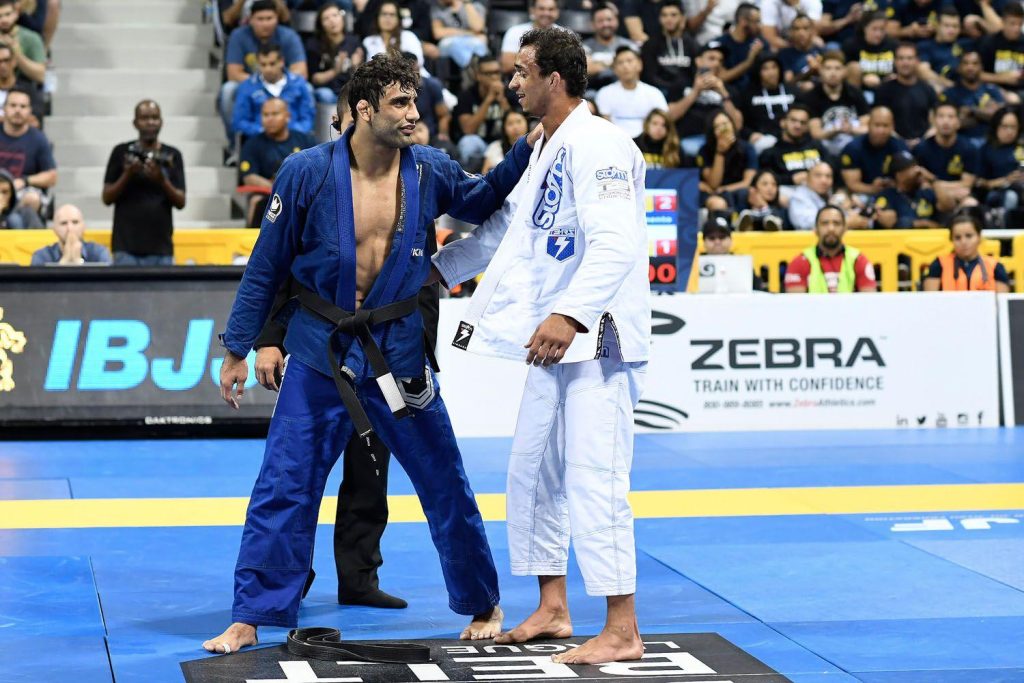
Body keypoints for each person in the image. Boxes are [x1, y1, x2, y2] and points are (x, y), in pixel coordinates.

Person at [204, 53, 536, 655]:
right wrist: (239, 348)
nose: (415, 113)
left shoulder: (429, 168)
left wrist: (524, 150)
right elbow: (266, 266)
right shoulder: (305, 172)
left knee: (444, 480)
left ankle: (482, 600)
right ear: (363, 110)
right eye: (401, 103)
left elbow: (480, 201)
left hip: (399, 354)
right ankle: (251, 615)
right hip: (318, 350)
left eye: (414, 100)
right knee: (284, 483)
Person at [431, 27, 651, 665]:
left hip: (594, 339)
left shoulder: (601, 144)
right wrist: (433, 269)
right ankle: (553, 606)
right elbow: (505, 234)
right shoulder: (546, 148)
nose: (513, 82)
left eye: (523, 71)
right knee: (531, 471)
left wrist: (570, 314)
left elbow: (615, 244)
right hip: (553, 343)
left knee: (596, 478)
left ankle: (622, 627)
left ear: (555, 78)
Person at [101, 100, 186, 266]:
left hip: (161, 248)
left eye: (155, 118)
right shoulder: (121, 152)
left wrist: (162, 180)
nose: (150, 122)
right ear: (135, 122)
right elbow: (107, 197)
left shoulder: (172, 155)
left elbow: (181, 201)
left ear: (161, 122)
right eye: (144, 118)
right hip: (125, 247)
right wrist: (127, 174)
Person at [219, 0, 307, 140]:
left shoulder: (289, 36)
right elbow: (233, 74)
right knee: (228, 89)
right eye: (260, 19)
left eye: (269, 18)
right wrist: (263, 83)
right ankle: (234, 147)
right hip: (252, 87)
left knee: (305, 87)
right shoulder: (238, 35)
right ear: (250, 20)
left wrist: (278, 82)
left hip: (284, 85)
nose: (265, 23)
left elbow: (301, 72)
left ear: (277, 19)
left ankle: (298, 140)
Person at [239, 98, 316, 227]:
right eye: (265, 115)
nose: (269, 119)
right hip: (269, 195)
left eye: (275, 114)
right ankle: (253, 244)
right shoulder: (252, 144)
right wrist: (279, 188)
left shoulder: (305, 140)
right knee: (256, 200)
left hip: (302, 193)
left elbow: (318, 170)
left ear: (287, 116)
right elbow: (249, 177)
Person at [667, 41, 744, 159]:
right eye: (712, 58)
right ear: (698, 61)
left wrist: (723, 93)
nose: (717, 63)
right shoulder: (683, 84)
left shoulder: (729, 90)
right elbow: (670, 117)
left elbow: (737, 125)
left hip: (720, 138)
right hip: (689, 138)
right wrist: (695, 92)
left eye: (720, 60)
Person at [784, 204, 877, 293]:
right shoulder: (799, 262)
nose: (831, 228)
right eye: (825, 223)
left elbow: (869, 303)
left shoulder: (858, 259)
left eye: (836, 223)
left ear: (845, 228)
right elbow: (796, 306)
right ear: (815, 229)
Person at [232, 43, 316, 139]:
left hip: (294, 139)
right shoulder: (247, 86)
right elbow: (239, 122)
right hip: (260, 140)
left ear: (281, 62)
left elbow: (307, 119)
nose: (268, 69)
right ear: (258, 65)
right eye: (263, 64)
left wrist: (289, 134)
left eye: (272, 64)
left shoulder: (298, 84)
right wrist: (262, 132)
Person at [453, 54, 517, 172]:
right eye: (489, 73)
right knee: (468, 142)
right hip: (480, 144)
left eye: (497, 72)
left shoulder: (510, 93)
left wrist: (502, 100)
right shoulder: (467, 96)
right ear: (478, 76)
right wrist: (488, 100)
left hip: (502, 144)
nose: (494, 77)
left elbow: (518, 123)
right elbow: (468, 130)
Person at [801, 50, 869, 158]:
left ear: (845, 71)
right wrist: (835, 130)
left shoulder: (855, 93)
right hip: (826, 146)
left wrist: (851, 129)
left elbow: (866, 127)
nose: (833, 73)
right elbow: (816, 134)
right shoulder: (812, 97)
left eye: (837, 68)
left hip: (854, 144)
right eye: (828, 68)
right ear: (821, 71)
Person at [914, 102, 979, 213]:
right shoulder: (921, 148)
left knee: (971, 203)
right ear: (933, 121)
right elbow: (921, 183)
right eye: (941, 116)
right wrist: (946, 191)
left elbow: (967, 184)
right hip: (931, 196)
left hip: (959, 196)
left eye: (951, 117)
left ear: (958, 122)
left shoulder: (969, 148)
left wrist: (934, 183)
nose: (946, 121)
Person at [0, 86, 54, 217]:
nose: (18, 110)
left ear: (30, 111)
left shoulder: (38, 138)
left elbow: (52, 176)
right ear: (4, 108)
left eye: (23, 106)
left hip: (23, 193)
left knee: (32, 198)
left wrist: (25, 181)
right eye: (13, 105)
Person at [922, 213, 1010, 292]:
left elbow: (1001, 304)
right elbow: (930, 301)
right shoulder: (939, 264)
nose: (963, 242)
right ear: (951, 240)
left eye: (969, 236)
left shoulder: (995, 266)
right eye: (957, 238)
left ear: (979, 237)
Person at [595, 46, 669, 139]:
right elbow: (603, 125)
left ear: (640, 64)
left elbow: (664, 121)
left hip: (647, 143)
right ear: (614, 69)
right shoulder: (604, 93)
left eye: (629, 61)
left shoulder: (654, 93)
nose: (625, 66)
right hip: (615, 142)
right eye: (620, 62)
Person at [873, 42, 937, 146]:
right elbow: (879, 123)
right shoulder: (883, 90)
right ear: (895, 62)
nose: (905, 63)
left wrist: (921, 142)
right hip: (891, 145)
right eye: (901, 58)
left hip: (924, 145)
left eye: (909, 58)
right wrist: (902, 143)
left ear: (917, 61)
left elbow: (935, 122)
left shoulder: (928, 89)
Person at [943, 50, 1008, 147]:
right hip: (963, 143)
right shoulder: (950, 93)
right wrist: (985, 114)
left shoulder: (992, 89)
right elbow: (956, 123)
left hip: (991, 142)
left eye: (975, 63)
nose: (970, 67)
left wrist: (972, 111)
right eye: (966, 63)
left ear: (981, 67)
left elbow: (1001, 117)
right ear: (959, 67)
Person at [840, 105, 907, 197]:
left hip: (895, 192)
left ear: (892, 127)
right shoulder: (853, 148)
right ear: (869, 125)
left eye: (885, 125)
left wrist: (894, 184)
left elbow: (908, 177)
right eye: (877, 125)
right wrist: (873, 188)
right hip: (862, 194)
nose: (881, 130)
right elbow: (852, 184)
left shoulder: (900, 147)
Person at [306, 3, 364, 104]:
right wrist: (335, 71)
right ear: (321, 24)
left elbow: (362, 79)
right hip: (328, 91)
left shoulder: (354, 42)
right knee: (324, 94)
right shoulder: (314, 44)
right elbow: (314, 79)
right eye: (326, 18)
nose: (332, 21)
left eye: (335, 15)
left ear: (342, 18)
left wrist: (356, 66)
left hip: (350, 92)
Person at [639, 0, 698, 98]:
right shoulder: (650, 45)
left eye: (673, 15)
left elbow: (695, 73)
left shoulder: (692, 45)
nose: (668, 19)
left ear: (682, 18)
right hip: (658, 93)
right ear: (659, 18)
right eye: (664, 15)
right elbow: (649, 76)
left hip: (687, 93)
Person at [788, 160, 870, 230]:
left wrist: (854, 211)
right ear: (807, 178)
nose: (824, 180)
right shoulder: (799, 197)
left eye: (828, 176)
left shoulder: (833, 196)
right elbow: (806, 224)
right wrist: (846, 222)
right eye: (818, 175)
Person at [696, 109, 757, 203]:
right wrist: (719, 152)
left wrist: (724, 189)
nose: (723, 129)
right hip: (714, 194)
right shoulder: (704, 150)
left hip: (738, 190)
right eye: (717, 126)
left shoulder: (747, 148)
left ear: (732, 124)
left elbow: (747, 182)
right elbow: (713, 184)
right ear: (712, 132)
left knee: (744, 194)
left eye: (725, 124)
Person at [740, 53, 795, 154]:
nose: (771, 73)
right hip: (764, 138)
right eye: (765, 69)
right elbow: (741, 123)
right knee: (764, 144)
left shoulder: (793, 91)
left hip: (793, 135)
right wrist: (750, 134)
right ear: (758, 72)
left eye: (774, 67)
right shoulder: (747, 94)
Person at [758, 104, 825, 186]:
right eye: (793, 120)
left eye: (803, 122)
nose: (798, 126)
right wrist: (791, 179)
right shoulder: (771, 153)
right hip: (788, 191)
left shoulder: (817, 146)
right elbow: (765, 180)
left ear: (807, 127)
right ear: (783, 123)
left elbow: (833, 168)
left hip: (819, 188)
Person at [977, 106, 1024, 218]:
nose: (1009, 131)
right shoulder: (985, 150)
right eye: (1005, 126)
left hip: (1021, 189)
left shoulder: (1021, 147)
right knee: (1011, 196)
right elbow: (978, 182)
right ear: (996, 127)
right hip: (997, 193)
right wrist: (1005, 180)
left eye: (1013, 127)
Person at [873, 150, 940, 228]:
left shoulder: (926, 193)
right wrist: (922, 224)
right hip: (901, 239)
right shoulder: (886, 196)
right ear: (899, 175)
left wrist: (933, 180)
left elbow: (947, 205)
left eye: (916, 166)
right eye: (911, 168)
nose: (918, 171)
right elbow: (889, 223)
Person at [702, 209, 766, 290]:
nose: (717, 242)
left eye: (722, 237)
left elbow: (757, 289)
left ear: (730, 240)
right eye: (712, 238)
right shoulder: (694, 266)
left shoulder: (742, 264)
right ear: (704, 242)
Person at [30, 204, 111, 266]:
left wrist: (79, 262)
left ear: (83, 226)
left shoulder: (99, 252)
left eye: (75, 222)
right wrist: (64, 262)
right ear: (54, 229)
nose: (70, 228)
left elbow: (108, 285)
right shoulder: (41, 256)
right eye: (63, 223)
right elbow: (37, 287)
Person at [584, 2, 637, 93]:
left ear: (617, 20)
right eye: (600, 21)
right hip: (593, 92)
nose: (605, 24)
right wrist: (616, 64)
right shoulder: (584, 46)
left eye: (609, 19)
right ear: (592, 24)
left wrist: (599, 64)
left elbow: (635, 69)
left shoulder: (629, 46)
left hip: (624, 90)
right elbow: (587, 69)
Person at [842, 11, 897, 96]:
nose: (878, 34)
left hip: (888, 91)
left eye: (882, 29)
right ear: (865, 28)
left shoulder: (893, 45)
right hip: (860, 90)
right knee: (853, 67)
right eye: (874, 29)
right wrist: (863, 79)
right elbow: (844, 71)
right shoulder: (851, 45)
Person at [499, 0, 560, 75]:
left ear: (557, 12)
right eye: (541, 9)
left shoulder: (566, 34)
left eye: (551, 9)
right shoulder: (515, 32)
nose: (546, 13)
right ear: (532, 10)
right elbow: (507, 65)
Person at [362, 0, 426, 72]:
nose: (387, 18)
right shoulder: (368, 41)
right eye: (384, 14)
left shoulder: (408, 36)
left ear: (398, 19)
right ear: (377, 17)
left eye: (392, 14)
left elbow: (419, 62)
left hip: (414, 78)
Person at [430, 0, 489, 69]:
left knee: (478, 43)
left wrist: (467, 4)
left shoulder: (475, 5)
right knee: (454, 44)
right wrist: (468, 33)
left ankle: (483, 67)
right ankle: (473, 69)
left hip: (470, 42)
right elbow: (438, 33)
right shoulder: (437, 9)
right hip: (450, 42)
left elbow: (478, 27)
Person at [0, 0, 44, 85]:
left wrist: (17, 54)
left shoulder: (31, 38)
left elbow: (40, 76)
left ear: (16, 13)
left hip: (22, 88)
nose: (4, 20)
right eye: (0, 16)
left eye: (8, 14)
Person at [482, 109, 528, 173]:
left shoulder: (536, 146)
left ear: (527, 123)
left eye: (519, 122)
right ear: (504, 128)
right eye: (510, 124)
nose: (515, 127)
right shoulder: (495, 147)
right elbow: (485, 175)